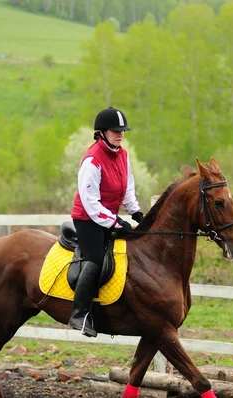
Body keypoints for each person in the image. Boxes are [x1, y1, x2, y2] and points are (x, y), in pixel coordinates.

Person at [69, 106, 144, 337]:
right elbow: (90, 203)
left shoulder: (122, 154)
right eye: (115, 130)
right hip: (87, 219)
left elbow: (127, 187)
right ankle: (79, 314)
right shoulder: (92, 161)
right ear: (101, 132)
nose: (120, 134)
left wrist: (137, 213)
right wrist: (114, 222)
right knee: (96, 259)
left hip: (107, 216)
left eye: (122, 130)